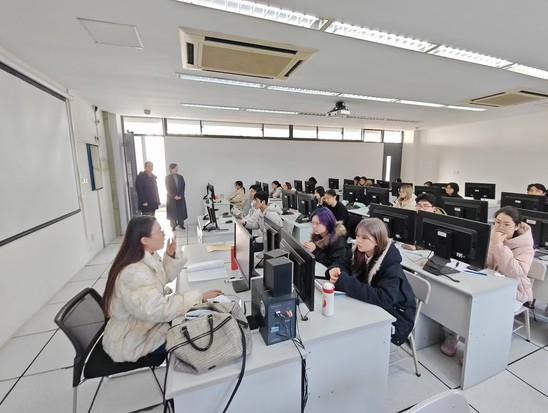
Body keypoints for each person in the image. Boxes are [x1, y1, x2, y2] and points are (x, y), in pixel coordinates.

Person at [102, 216, 222, 362]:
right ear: (145, 240)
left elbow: (158, 280)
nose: (164, 235)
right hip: (133, 340)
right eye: (160, 232)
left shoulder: (145, 257)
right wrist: (198, 298)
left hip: (144, 325)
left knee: (198, 321)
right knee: (201, 337)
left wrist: (170, 255)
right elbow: (157, 310)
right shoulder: (133, 273)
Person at [440, 206, 534, 357]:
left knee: (484, 310)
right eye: (497, 222)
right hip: (488, 284)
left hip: (514, 293)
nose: (500, 227)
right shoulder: (492, 237)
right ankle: (453, 335)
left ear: (517, 226)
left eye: (507, 224)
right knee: (459, 298)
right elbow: (483, 262)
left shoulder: (525, 247)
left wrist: (498, 245)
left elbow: (516, 272)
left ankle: (477, 350)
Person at [327, 218, 416, 345]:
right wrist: (334, 269)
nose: (358, 240)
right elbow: (342, 262)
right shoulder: (358, 250)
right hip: (372, 306)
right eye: (358, 235)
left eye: (364, 238)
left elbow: (384, 298)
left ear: (377, 241)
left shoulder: (391, 266)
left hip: (398, 315)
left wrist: (346, 282)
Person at [165, 163, 187, 230]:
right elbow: (168, 188)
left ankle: (181, 224)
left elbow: (183, 187)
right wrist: (174, 196)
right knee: (172, 212)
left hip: (180, 197)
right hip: (171, 198)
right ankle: (173, 226)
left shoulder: (180, 177)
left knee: (181, 211)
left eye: (177, 168)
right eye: (175, 168)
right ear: (171, 169)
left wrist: (181, 195)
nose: (177, 169)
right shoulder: (167, 178)